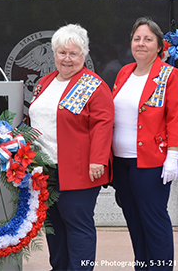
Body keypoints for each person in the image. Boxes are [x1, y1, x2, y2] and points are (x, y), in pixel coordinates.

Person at [28, 24, 114, 271]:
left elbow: (103, 123)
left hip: (79, 171)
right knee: (53, 228)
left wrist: (97, 159)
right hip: (45, 171)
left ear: (84, 55)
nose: (67, 59)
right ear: (54, 53)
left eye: (73, 53)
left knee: (78, 227)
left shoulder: (92, 85)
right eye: (62, 52)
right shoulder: (44, 82)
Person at [111, 17, 178, 271]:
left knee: (154, 222)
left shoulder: (169, 75)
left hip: (151, 163)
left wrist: (173, 157)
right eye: (137, 38)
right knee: (133, 221)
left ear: (159, 46)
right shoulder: (124, 72)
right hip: (121, 162)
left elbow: (176, 117)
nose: (141, 44)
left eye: (148, 39)